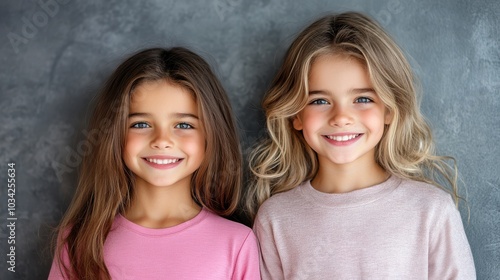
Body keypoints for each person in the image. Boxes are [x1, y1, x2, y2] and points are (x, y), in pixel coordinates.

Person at [248, 12, 476, 279]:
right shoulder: (275, 218)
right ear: (295, 115)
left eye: (363, 99)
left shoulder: (431, 210)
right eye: (319, 101)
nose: (341, 117)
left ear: (390, 109)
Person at [48, 47, 260, 279]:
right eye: (141, 124)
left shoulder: (236, 243)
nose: (162, 141)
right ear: (113, 134)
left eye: (184, 125)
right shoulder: (80, 241)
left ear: (211, 135)